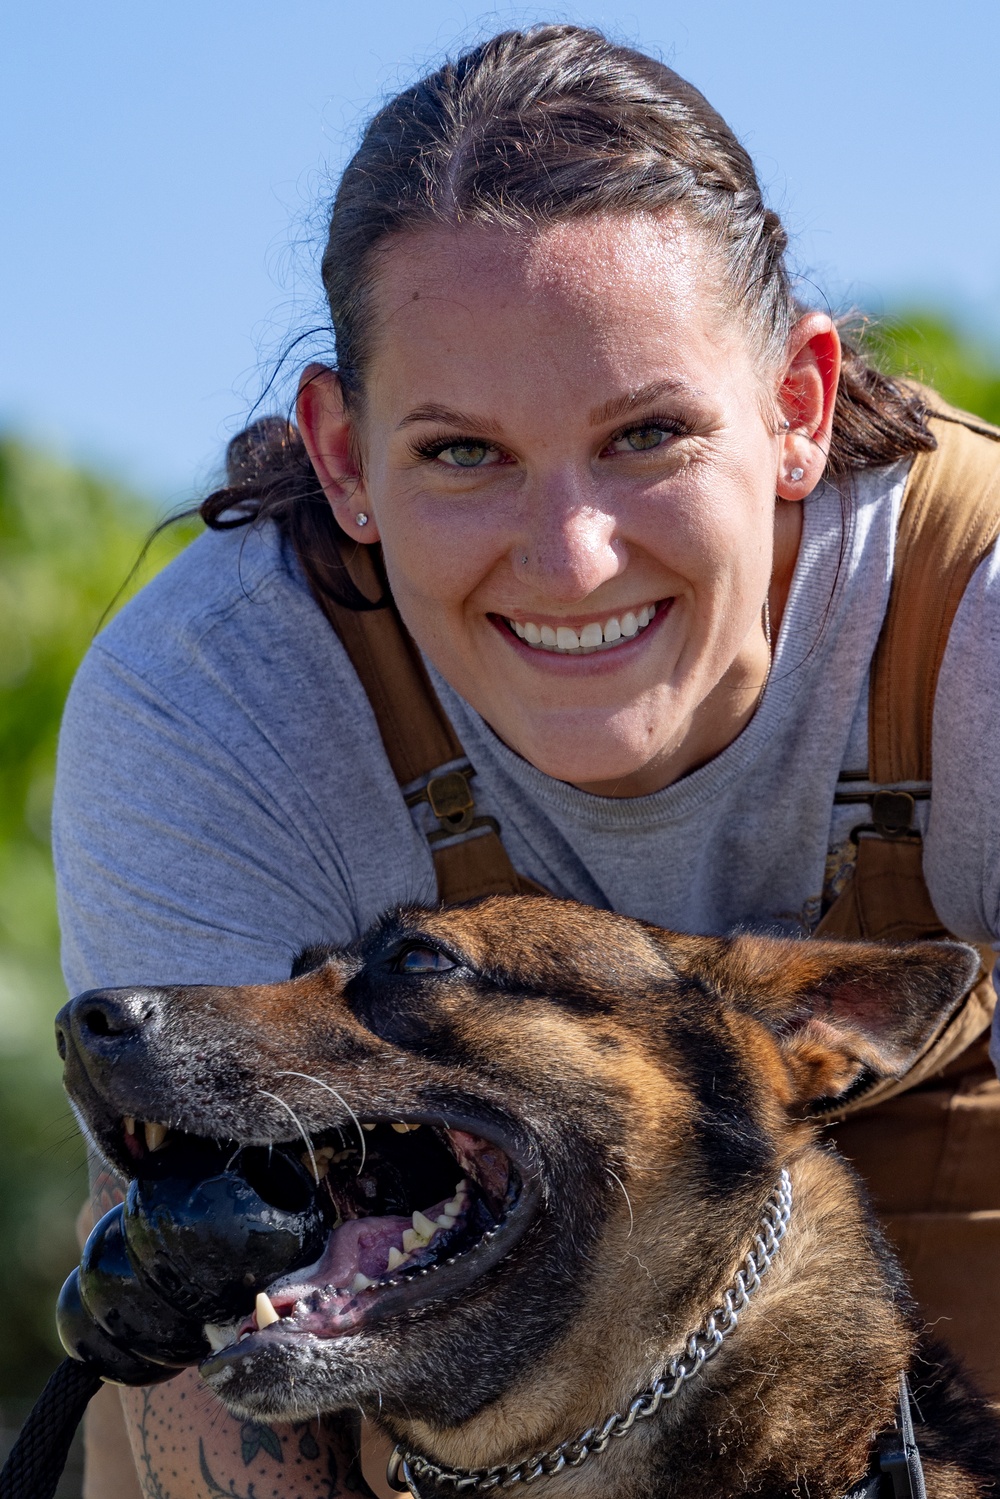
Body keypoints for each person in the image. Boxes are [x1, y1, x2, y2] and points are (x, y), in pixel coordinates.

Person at [52, 23, 1000, 1499]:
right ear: (346, 458)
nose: (571, 558)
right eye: (460, 453)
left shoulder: (983, 615)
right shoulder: (213, 700)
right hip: (470, 1342)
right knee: (142, 1417)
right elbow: (194, 1271)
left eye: (650, 434)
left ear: (799, 408)